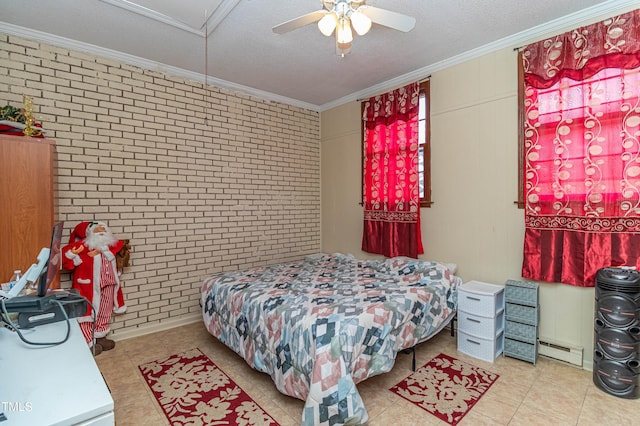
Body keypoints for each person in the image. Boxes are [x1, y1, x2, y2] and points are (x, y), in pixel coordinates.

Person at [62, 221, 127, 355]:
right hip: (88, 287)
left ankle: (100, 336)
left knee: (105, 311)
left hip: (109, 284)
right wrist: (73, 254)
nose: (101, 231)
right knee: (86, 314)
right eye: (97, 230)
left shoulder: (110, 247)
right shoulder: (82, 247)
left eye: (104, 229)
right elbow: (63, 260)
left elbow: (120, 246)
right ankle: (88, 342)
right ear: (89, 234)